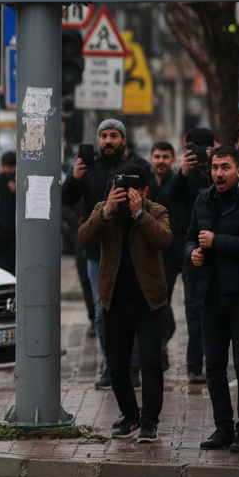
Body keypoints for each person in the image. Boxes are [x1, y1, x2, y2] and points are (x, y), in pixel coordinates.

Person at [78, 161, 172, 443]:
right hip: (114, 301)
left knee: (150, 362)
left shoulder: (156, 210)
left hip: (149, 302)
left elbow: (164, 240)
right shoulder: (103, 211)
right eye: (119, 187)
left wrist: (140, 213)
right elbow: (85, 237)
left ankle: (149, 422)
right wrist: (106, 211)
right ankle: (130, 415)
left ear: (144, 190)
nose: (125, 193)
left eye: (132, 188)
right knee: (117, 365)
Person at [61, 118, 153, 389]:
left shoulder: (138, 166)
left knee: (132, 308)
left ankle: (133, 365)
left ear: (123, 139)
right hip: (97, 250)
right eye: (104, 136)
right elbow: (66, 198)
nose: (108, 141)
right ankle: (112, 366)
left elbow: (153, 196)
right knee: (102, 312)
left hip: (130, 249)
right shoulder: (89, 167)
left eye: (114, 135)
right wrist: (74, 178)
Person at [187, 146, 239, 452]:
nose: (219, 173)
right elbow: (191, 235)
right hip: (210, 293)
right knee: (214, 366)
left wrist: (217, 242)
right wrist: (192, 251)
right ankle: (224, 428)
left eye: (225, 168)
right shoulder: (204, 198)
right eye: (215, 167)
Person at [166, 127, 217, 385]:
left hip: (218, 248)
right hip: (191, 249)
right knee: (194, 310)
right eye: (192, 149)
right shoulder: (184, 176)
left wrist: (212, 166)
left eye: (202, 148)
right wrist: (184, 172)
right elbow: (171, 198)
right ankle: (195, 367)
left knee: (217, 310)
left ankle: (215, 364)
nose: (197, 154)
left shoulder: (218, 170)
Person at [150, 140, 179, 370]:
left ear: (173, 159)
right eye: (157, 156)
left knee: (164, 300)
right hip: (151, 251)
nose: (161, 161)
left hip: (173, 252)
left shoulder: (178, 180)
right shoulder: (145, 182)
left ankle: (162, 342)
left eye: (165, 157)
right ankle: (159, 345)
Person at [0, 150, 17, 274]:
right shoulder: (0, 180)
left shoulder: (16, 180)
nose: (6, 170)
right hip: (1, 232)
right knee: (1, 267)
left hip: (12, 233)